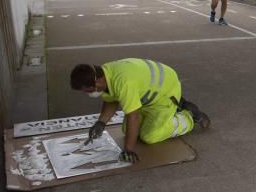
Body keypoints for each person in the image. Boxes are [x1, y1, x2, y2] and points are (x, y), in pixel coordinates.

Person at [70, 59, 210, 163]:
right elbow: (111, 100)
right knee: (128, 131)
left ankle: (188, 116)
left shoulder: (123, 82)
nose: (88, 94)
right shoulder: (106, 74)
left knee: (150, 137)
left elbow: (133, 116)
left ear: (97, 82)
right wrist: (101, 122)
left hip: (164, 94)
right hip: (147, 96)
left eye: (88, 90)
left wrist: (129, 149)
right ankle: (178, 104)